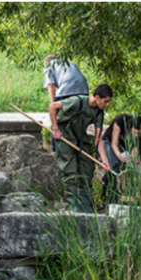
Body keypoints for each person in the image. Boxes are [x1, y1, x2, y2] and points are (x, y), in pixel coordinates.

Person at [48, 84, 113, 213]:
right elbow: (52, 106)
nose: (107, 105)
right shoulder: (77, 101)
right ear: (97, 97)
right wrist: (55, 129)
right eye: (106, 101)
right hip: (64, 134)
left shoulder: (99, 112)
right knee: (70, 169)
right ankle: (72, 205)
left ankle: (85, 204)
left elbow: (98, 138)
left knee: (87, 167)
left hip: (80, 136)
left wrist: (104, 159)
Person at [44, 54, 90, 152]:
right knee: (77, 122)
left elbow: (51, 85)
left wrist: (54, 104)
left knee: (57, 121)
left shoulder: (49, 65)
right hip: (83, 91)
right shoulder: (69, 63)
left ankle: (55, 151)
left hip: (67, 89)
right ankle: (78, 151)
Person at [100, 114, 141, 202]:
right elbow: (114, 143)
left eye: (138, 133)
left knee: (126, 171)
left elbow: (136, 147)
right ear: (130, 127)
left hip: (124, 147)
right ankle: (109, 194)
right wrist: (119, 155)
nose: (136, 135)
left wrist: (132, 158)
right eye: (134, 132)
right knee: (115, 168)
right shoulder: (120, 120)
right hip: (109, 143)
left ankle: (124, 197)